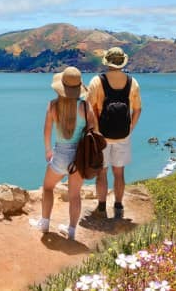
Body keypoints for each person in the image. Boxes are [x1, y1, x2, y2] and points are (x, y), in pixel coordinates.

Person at [30, 66, 97, 241]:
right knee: (75, 195)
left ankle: (44, 223)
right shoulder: (84, 106)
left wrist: (48, 150)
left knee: (47, 187)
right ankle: (72, 231)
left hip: (60, 155)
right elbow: (94, 130)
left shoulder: (53, 105)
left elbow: (46, 130)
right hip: (79, 157)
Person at [86, 47, 142, 219]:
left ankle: (102, 208)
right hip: (122, 135)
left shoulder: (97, 81)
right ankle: (118, 207)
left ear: (107, 62)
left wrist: (94, 130)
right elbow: (137, 110)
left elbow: (89, 108)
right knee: (119, 173)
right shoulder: (132, 82)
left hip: (101, 135)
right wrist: (130, 128)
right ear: (122, 62)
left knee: (102, 173)